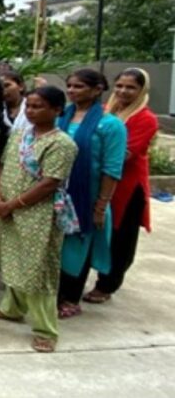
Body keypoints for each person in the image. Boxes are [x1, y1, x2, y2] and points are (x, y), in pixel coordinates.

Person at [0, 86, 77, 353]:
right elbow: (3, 165)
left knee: (38, 270)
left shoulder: (62, 144)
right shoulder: (20, 135)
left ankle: (46, 329)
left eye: (38, 106)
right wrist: (0, 196)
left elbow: (49, 183)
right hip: (7, 208)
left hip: (37, 213)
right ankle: (11, 308)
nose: (31, 111)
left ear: (57, 110)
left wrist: (13, 204)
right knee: (13, 260)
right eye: (29, 106)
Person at [82, 68, 159, 304]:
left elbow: (122, 155)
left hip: (126, 188)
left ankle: (108, 285)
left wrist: (89, 156)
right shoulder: (106, 111)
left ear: (141, 90)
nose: (124, 91)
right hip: (98, 181)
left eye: (131, 87)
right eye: (120, 86)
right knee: (97, 232)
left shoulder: (146, 119)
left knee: (120, 238)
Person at [56, 69, 127, 319]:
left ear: (97, 90)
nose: (72, 91)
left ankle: (71, 297)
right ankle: (54, 294)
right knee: (57, 246)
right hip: (58, 194)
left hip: (88, 198)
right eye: (70, 86)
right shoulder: (61, 116)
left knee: (79, 247)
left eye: (79, 87)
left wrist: (101, 205)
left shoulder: (110, 125)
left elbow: (112, 168)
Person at [0, 70, 29, 135]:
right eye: (0, 87)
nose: (3, 90)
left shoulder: (33, 107)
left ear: (21, 87)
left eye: (7, 85)